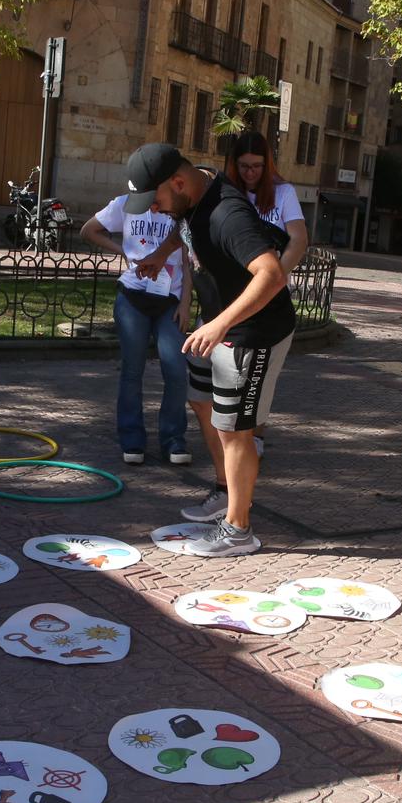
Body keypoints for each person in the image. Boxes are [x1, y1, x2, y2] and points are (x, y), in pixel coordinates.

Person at [122, 142, 294, 557]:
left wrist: (221, 323)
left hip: (252, 331)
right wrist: (159, 255)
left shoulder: (227, 214)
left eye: (157, 200)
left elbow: (272, 274)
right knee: (201, 402)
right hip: (218, 325)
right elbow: (184, 231)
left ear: (178, 183)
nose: (155, 210)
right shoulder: (195, 187)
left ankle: (238, 529)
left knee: (235, 429)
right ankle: (224, 491)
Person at [79, 194, 193, 466]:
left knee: (176, 370)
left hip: (170, 299)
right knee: (132, 370)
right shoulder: (125, 203)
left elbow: (187, 259)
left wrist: (186, 302)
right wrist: (122, 250)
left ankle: (173, 439)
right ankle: (132, 439)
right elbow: (88, 230)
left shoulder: (178, 206)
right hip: (132, 296)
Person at [223, 129, 308, 459]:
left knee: (260, 374)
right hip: (236, 293)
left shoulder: (283, 193)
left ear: (267, 164)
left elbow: (298, 239)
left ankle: (254, 436)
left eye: (257, 166)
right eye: (244, 166)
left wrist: (275, 278)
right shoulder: (229, 193)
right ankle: (234, 436)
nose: (250, 173)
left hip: (270, 300)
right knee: (234, 372)